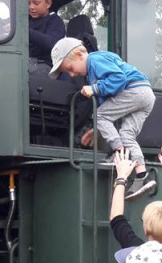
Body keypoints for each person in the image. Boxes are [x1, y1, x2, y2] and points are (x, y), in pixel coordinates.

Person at [49, 37, 156, 199]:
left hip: (135, 90)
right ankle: (142, 175)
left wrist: (95, 88)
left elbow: (119, 78)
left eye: (70, 68)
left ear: (79, 55)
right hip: (146, 95)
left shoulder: (94, 59)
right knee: (127, 135)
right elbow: (108, 106)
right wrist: (98, 128)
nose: (71, 74)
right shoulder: (93, 68)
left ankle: (118, 154)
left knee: (100, 114)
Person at [28, 0, 65, 65]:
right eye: (29, 3)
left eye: (36, 3)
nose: (31, 7)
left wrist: (26, 32)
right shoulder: (25, 21)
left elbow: (52, 43)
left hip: (45, 65)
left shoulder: (55, 21)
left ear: (48, 4)